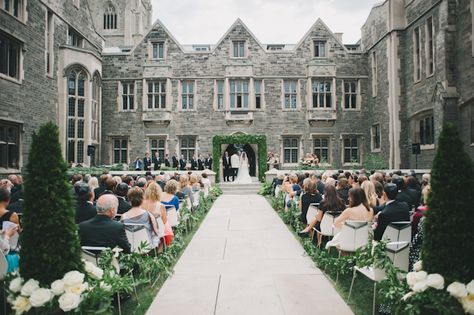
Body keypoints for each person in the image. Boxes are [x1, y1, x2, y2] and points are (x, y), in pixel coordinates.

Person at [142, 182, 173, 247]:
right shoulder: (161, 206)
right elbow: (164, 221)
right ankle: (160, 249)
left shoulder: (141, 203)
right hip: (155, 230)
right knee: (166, 226)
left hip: (143, 229)